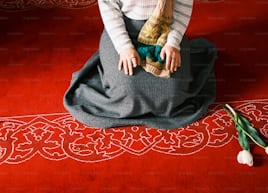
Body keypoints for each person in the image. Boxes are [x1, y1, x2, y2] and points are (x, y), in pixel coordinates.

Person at [64, 0, 218, 129]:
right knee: (128, 91)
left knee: (173, 94)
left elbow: (182, 5)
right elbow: (109, 8)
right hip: (123, 30)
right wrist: (125, 47)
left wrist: (173, 43)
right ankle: (109, 61)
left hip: (164, 30)